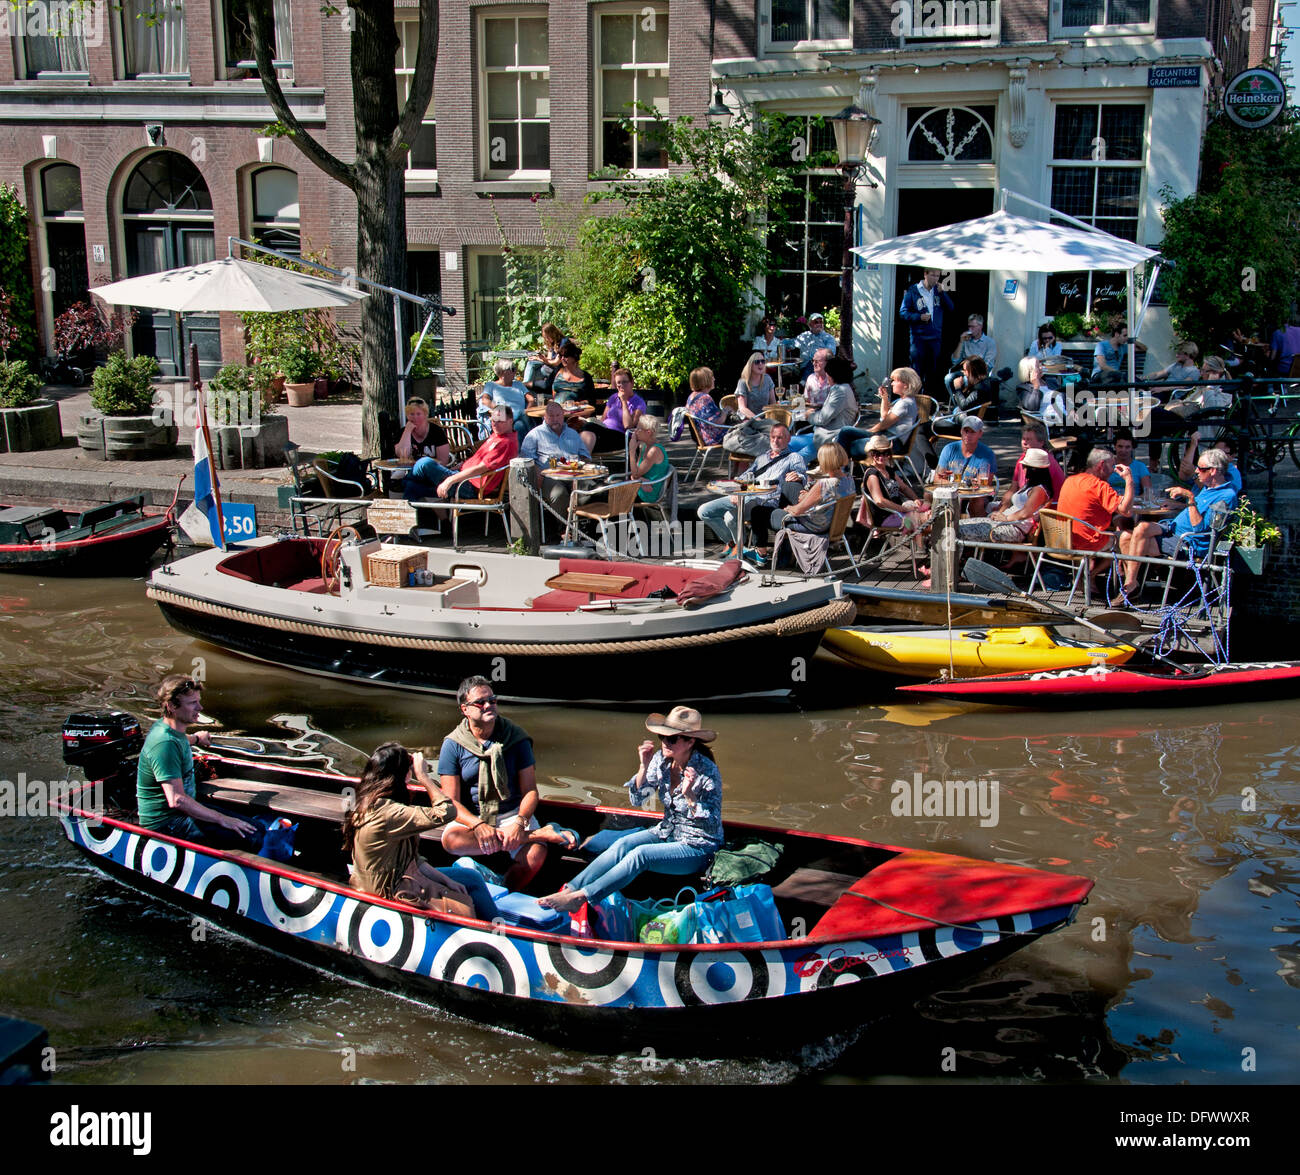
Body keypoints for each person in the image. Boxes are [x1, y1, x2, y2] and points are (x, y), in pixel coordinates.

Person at [538, 707, 723, 912]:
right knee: (622, 843)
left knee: (640, 855)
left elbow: (712, 824)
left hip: (698, 845)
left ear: (690, 742)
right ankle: (569, 889)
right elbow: (639, 800)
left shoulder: (707, 771)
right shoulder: (661, 759)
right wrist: (643, 767)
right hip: (666, 831)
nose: (664, 742)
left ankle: (582, 897)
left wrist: (690, 796)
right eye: (663, 736)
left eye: (672, 739)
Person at [436, 677, 577, 891]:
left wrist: (519, 824)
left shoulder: (516, 738)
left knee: (536, 854)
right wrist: (478, 825)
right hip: (473, 817)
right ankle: (540, 834)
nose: (488, 705)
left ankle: (502, 893)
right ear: (464, 709)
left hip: (511, 813)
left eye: (492, 700)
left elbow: (530, 791)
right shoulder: (452, 745)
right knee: (451, 842)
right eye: (480, 702)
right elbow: (451, 803)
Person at [343, 742, 500, 920]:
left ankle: (488, 924)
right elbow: (447, 811)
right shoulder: (390, 813)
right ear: (404, 775)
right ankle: (496, 931)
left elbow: (413, 861)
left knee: (467, 877)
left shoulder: (369, 802)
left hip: (396, 877)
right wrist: (424, 777)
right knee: (472, 881)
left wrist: (447, 881)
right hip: (388, 889)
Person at [135, 674, 259, 845]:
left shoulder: (169, 729)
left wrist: (196, 739)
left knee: (256, 827)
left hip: (183, 810)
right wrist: (222, 819)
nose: (200, 708)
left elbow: (179, 740)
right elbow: (176, 799)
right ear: (172, 706)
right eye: (192, 703)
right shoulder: (164, 744)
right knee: (253, 837)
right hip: (167, 824)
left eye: (198, 701)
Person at [1119, 447, 1238, 594]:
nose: (1196, 471)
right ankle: (1134, 583)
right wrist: (1178, 504)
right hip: (1172, 529)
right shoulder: (1209, 488)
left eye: (1200, 469)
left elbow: (1201, 529)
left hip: (1188, 542)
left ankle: (1130, 585)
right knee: (1130, 534)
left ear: (1213, 471)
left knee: (1132, 536)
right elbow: (1198, 509)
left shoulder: (1226, 496)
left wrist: (1190, 497)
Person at [698, 422, 807, 556]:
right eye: (773, 437)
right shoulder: (762, 457)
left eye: (780, 437)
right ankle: (733, 544)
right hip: (745, 495)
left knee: (730, 517)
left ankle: (739, 550)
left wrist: (798, 476)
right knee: (704, 511)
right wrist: (736, 491)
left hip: (764, 501)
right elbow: (745, 477)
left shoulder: (794, 457)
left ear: (788, 438)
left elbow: (802, 475)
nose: (775, 441)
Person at [746, 441, 854, 567]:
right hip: (828, 523)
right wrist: (807, 496)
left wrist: (788, 508)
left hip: (810, 524)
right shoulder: (848, 480)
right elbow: (823, 498)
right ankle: (785, 551)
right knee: (789, 485)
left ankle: (761, 555)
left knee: (758, 512)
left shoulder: (824, 484)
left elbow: (797, 511)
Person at [404, 404, 518, 502]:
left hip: (469, 487)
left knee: (425, 463)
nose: (495, 424)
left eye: (500, 421)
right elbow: (478, 460)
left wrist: (449, 480)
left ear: (510, 421)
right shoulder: (498, 436)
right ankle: (440, 523)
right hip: (463, 478)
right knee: (411, 486)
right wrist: (461, 466)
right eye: (493, 421)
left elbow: (481, 468)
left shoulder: (506, 442)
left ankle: (400, 483)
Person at [960, 448, 1052, 546]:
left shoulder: (1039, 490)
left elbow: (1025, 513)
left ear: (1034, 469)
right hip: (1006, 524)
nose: (1023, 468)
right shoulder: (1030, 485)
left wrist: (1006, 518)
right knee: (959, 526)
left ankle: (957, 558)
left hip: (1014, 529)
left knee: (959, 530)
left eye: (1024, 466)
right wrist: (1001, 512)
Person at [521, 399, 592, 525]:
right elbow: (526, 460)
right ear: (545, 417)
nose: (555, 419)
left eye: (558, 415)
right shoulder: (534, 435)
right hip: (548, 476)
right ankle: (565, 528)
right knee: (558, 493)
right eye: (551, 416)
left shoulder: (573, 434)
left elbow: (585, 456)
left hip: (573, 474)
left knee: (589, 490)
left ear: (563, 415)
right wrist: (537, 471)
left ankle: (582, 525)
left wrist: (581, 463)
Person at [1057, 447, 1134, 555]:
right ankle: (1129, 572)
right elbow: (1126, 511)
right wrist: (1129, 479)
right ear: (1101, 465)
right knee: (1129, 538)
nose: (1113, 470)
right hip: (1088, 543)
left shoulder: (1070, 480)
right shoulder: (1099, 486)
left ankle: (1093, 571)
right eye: (1112, 466)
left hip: (1063, 541)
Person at [835, 366, 922, 458]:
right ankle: (840, 467)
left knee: (847, 437)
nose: (892, 383)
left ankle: (837, 467)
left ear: (906, 384)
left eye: (895, 381)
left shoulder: (905, 404)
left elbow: (883, 425)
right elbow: (884, 416)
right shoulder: (906, 401)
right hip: (886, 438)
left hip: (890, 442)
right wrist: (884, 397)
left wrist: (869, 431)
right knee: (846, 435)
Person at [789, 355, 859, 461]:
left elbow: (822, 419)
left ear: (832, 375)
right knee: (786, 442)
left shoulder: (840, 391)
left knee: (794, 460)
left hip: (828, 440)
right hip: (820, 435)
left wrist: (808, 415)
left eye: (828, 374)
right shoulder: (843, 388)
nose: (827, 377)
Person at [900, 269, 954, 394]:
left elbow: (951, 308)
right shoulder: (913, 290)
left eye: (937, 276)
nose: (935, 279)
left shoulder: (938, 291)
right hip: (919, 338)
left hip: (935, 338)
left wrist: (943, 293)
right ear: (925, 274)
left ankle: (927, 403)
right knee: (916, 371)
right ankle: (914, 401)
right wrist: (919, 317)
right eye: (932, 275)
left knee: (932, 372)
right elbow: (903, 312)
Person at [934, 416, 997, 516]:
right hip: (953, 490)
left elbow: (984, 485)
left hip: (974, 495)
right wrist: (956, 487)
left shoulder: (987, 454)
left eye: (972, 432)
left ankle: (976, 530)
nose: (968, 435)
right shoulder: (949, 449)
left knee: (978, 502)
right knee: (929, 496)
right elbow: (937, 479)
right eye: (966, 431)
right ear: (961, 431)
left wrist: (962, 488)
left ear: (980, 433)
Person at [582, 366, 645, 453]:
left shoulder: (639, 403)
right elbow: (603, 419)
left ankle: (582, 461)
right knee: (582, 427)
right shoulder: (613, 398)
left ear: (632, 383)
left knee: (588, 428)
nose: (621, 386)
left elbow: (628, 427)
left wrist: (624, 402)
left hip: (622, 438)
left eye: (624, 382)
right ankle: (582, 460)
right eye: (618, 383)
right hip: (605, 435)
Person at [1011, 420, 1066, 500]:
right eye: (1023, 439)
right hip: (1023, 505)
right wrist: (1001, 508)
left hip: (1045, 509)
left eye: (1029, 439)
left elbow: (1036, 501)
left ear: (1041, 442)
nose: (1024, 443)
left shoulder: (1045, 463)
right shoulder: (1023, 458)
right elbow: (1012, 489)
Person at [481, 358, 530, 440]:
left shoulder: (518, 384)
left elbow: (531, 399)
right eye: (513, 369)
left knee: (520, 425)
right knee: (519, 426)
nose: (515, 372)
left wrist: (527, 410)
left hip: (520, 416)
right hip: (503, 417)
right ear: (503, 371)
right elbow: (485, 400)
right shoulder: (491, 385)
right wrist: (500, 410)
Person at [394, 397, 451, 465]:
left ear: (425, 415)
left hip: (433, 471)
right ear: (407, 416)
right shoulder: (402, 432)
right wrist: (407, 431)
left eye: (418, 414)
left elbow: (443, 461)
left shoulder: (436, 431)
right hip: (411, 472)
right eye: (412, 414)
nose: (415, 417)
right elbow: (402, 455)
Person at [629, 415, 671, 504]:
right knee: (609, 492)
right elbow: (635, 472)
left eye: (638, 429)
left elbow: (635, 473)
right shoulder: (644, 446)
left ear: (648, 432)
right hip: (641, 486)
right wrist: (639, 478)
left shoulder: (654, 451)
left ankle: (623, 518)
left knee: (613, 496)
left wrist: (632, 452)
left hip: (649, 494)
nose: (635, 431)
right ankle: (623, 517)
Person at [683, 366, 728, 446]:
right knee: (744, 430)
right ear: (705, 380)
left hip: (700, 437)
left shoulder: (691, 397)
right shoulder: (705, 398)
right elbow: (718, 422)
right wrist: (725, 411)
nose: (714, 379)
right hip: (713, 438)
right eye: (712, 377)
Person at [792, 313, 839, 380]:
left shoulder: (828, 338)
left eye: (821, 322)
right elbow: (793, 343)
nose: (819, 324)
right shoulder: (804, 336)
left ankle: (803, 383)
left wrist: (816, 357)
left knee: (813, 362)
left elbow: (830, 354)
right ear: (809, 324)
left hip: (822, 367)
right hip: (804, 366)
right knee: (809, 364)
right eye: (816, 322)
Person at [522, 322, 565, 393]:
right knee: (531, 363)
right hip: (549, 367)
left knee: (532, 368)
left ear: (553, 333)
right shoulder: (552, 343)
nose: (547, 339)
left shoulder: (562, 343)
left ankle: (524, 389)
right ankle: (526, 389)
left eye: (548, 337)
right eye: (545, 337)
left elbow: (555, 363)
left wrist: (540, 359)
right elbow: (549, 359)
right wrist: (539, 358)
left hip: (556, 370)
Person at [1108, 429, 1151, 497]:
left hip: (1134, 504)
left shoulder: (1140, 466)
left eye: (1127, 447)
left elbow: (1148, 493)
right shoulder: (1107, 465)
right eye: (1120, 446)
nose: (1123, 450)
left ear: (1132, 448)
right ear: (1115, 446)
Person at [733, 352, 776, 419]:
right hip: (747, 419)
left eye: (763, 361)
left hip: (765, 419)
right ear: (750, 365)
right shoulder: (743, 382)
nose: (760, 364)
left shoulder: (767, 379)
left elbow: (773, 403)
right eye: (757, 362)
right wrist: (757, 419)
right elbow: (742, 408)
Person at [1090, 316, 1131, 384]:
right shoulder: (1101, 345)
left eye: (1128, 336)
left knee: (1129, 378)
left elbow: (1143, 348)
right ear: (1117, 334)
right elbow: (1102, 366)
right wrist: (1118, 373)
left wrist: (1131, 339)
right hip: (1100, 375)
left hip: (1116, 377)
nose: (1126, 338)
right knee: (1122, 378)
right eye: (1125, 335)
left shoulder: (1123, 347)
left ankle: (1142, 392)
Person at [1268, 310, 1300, 376]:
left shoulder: (1277, 333)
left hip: (1285, 370)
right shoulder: (1299, 330)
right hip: (1298, 369)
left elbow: (1272, 357)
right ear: (1288, 319)